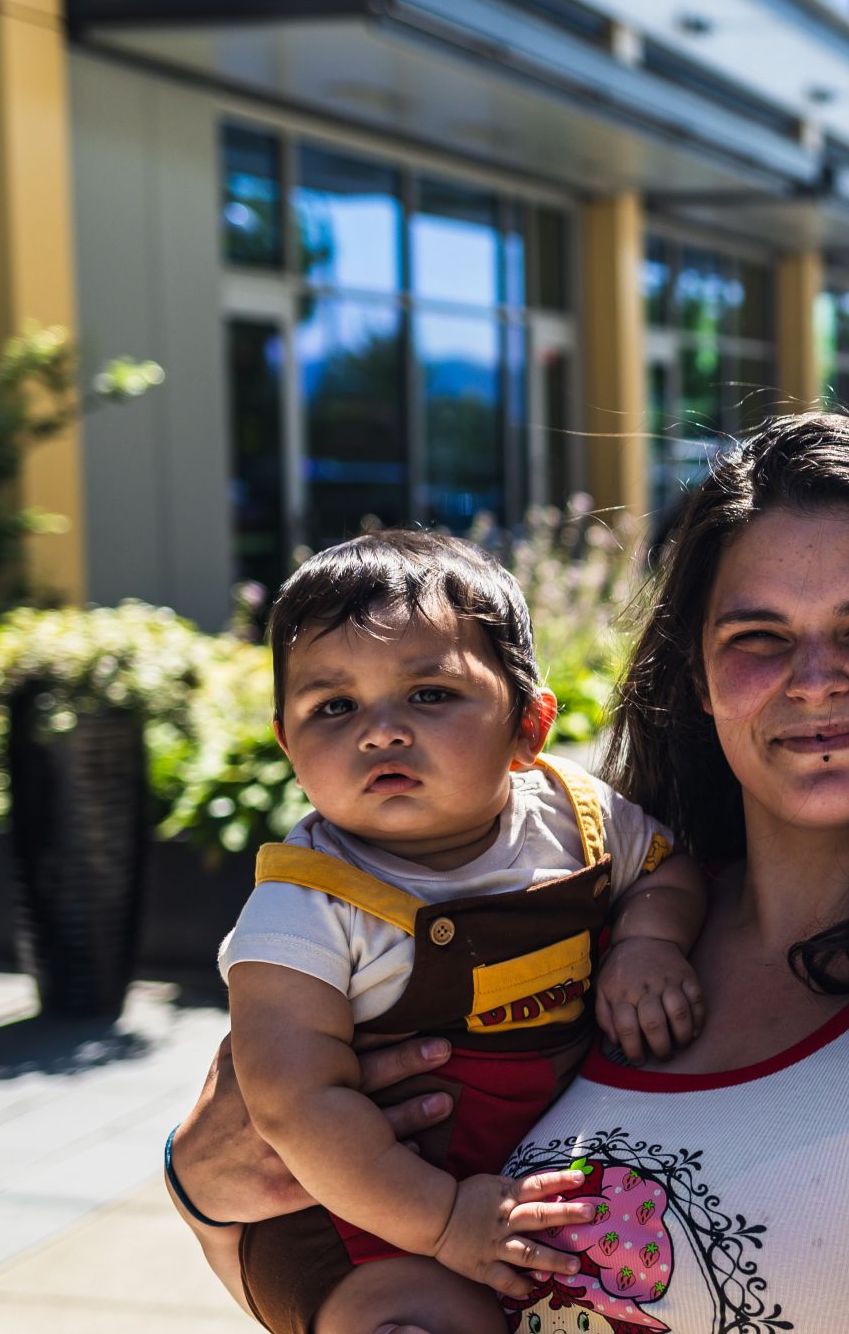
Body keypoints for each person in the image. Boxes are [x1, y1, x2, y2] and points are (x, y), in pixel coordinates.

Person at [169, 416, 849, 1334]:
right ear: (696, 676)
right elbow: (308, 1228)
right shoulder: (584, 904)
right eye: (757, 637)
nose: (813, 676)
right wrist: (203, 1187)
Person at [212, 531, 712, 1334]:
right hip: (365, 1209)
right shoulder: (305, 903)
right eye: (333, 706)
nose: (380, 731)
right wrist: (443, 1220)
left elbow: (666, 868)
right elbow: (292, 1100)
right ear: (287, 745)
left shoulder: (574, 818)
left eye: (430, 694)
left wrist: (651, 939)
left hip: (518, 1181)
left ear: (529, 727)